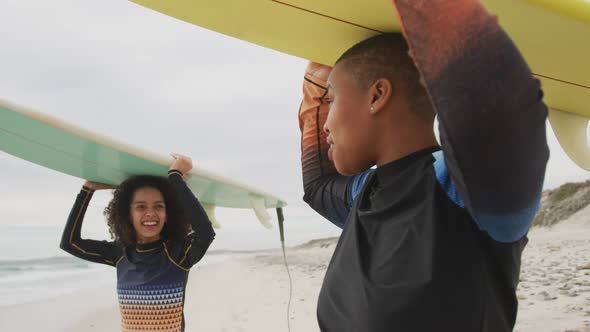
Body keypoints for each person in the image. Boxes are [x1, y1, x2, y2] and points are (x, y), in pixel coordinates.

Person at [297, 1, 549, 331]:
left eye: (332, 98)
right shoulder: (367, 191)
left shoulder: (462, 191)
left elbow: (499, 107)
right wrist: (314, 89)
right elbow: (318, 186)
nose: (326, 123)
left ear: (377, 96)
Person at [60, 153, 215, 332]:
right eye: (141, 206)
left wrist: (175, 177)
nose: (150, 213)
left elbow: (205, 233)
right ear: (128, 214)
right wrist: (88, 189)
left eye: (158, 206)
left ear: (168, 214)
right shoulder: (120, 253)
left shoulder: (176, 253)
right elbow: (70, 242)